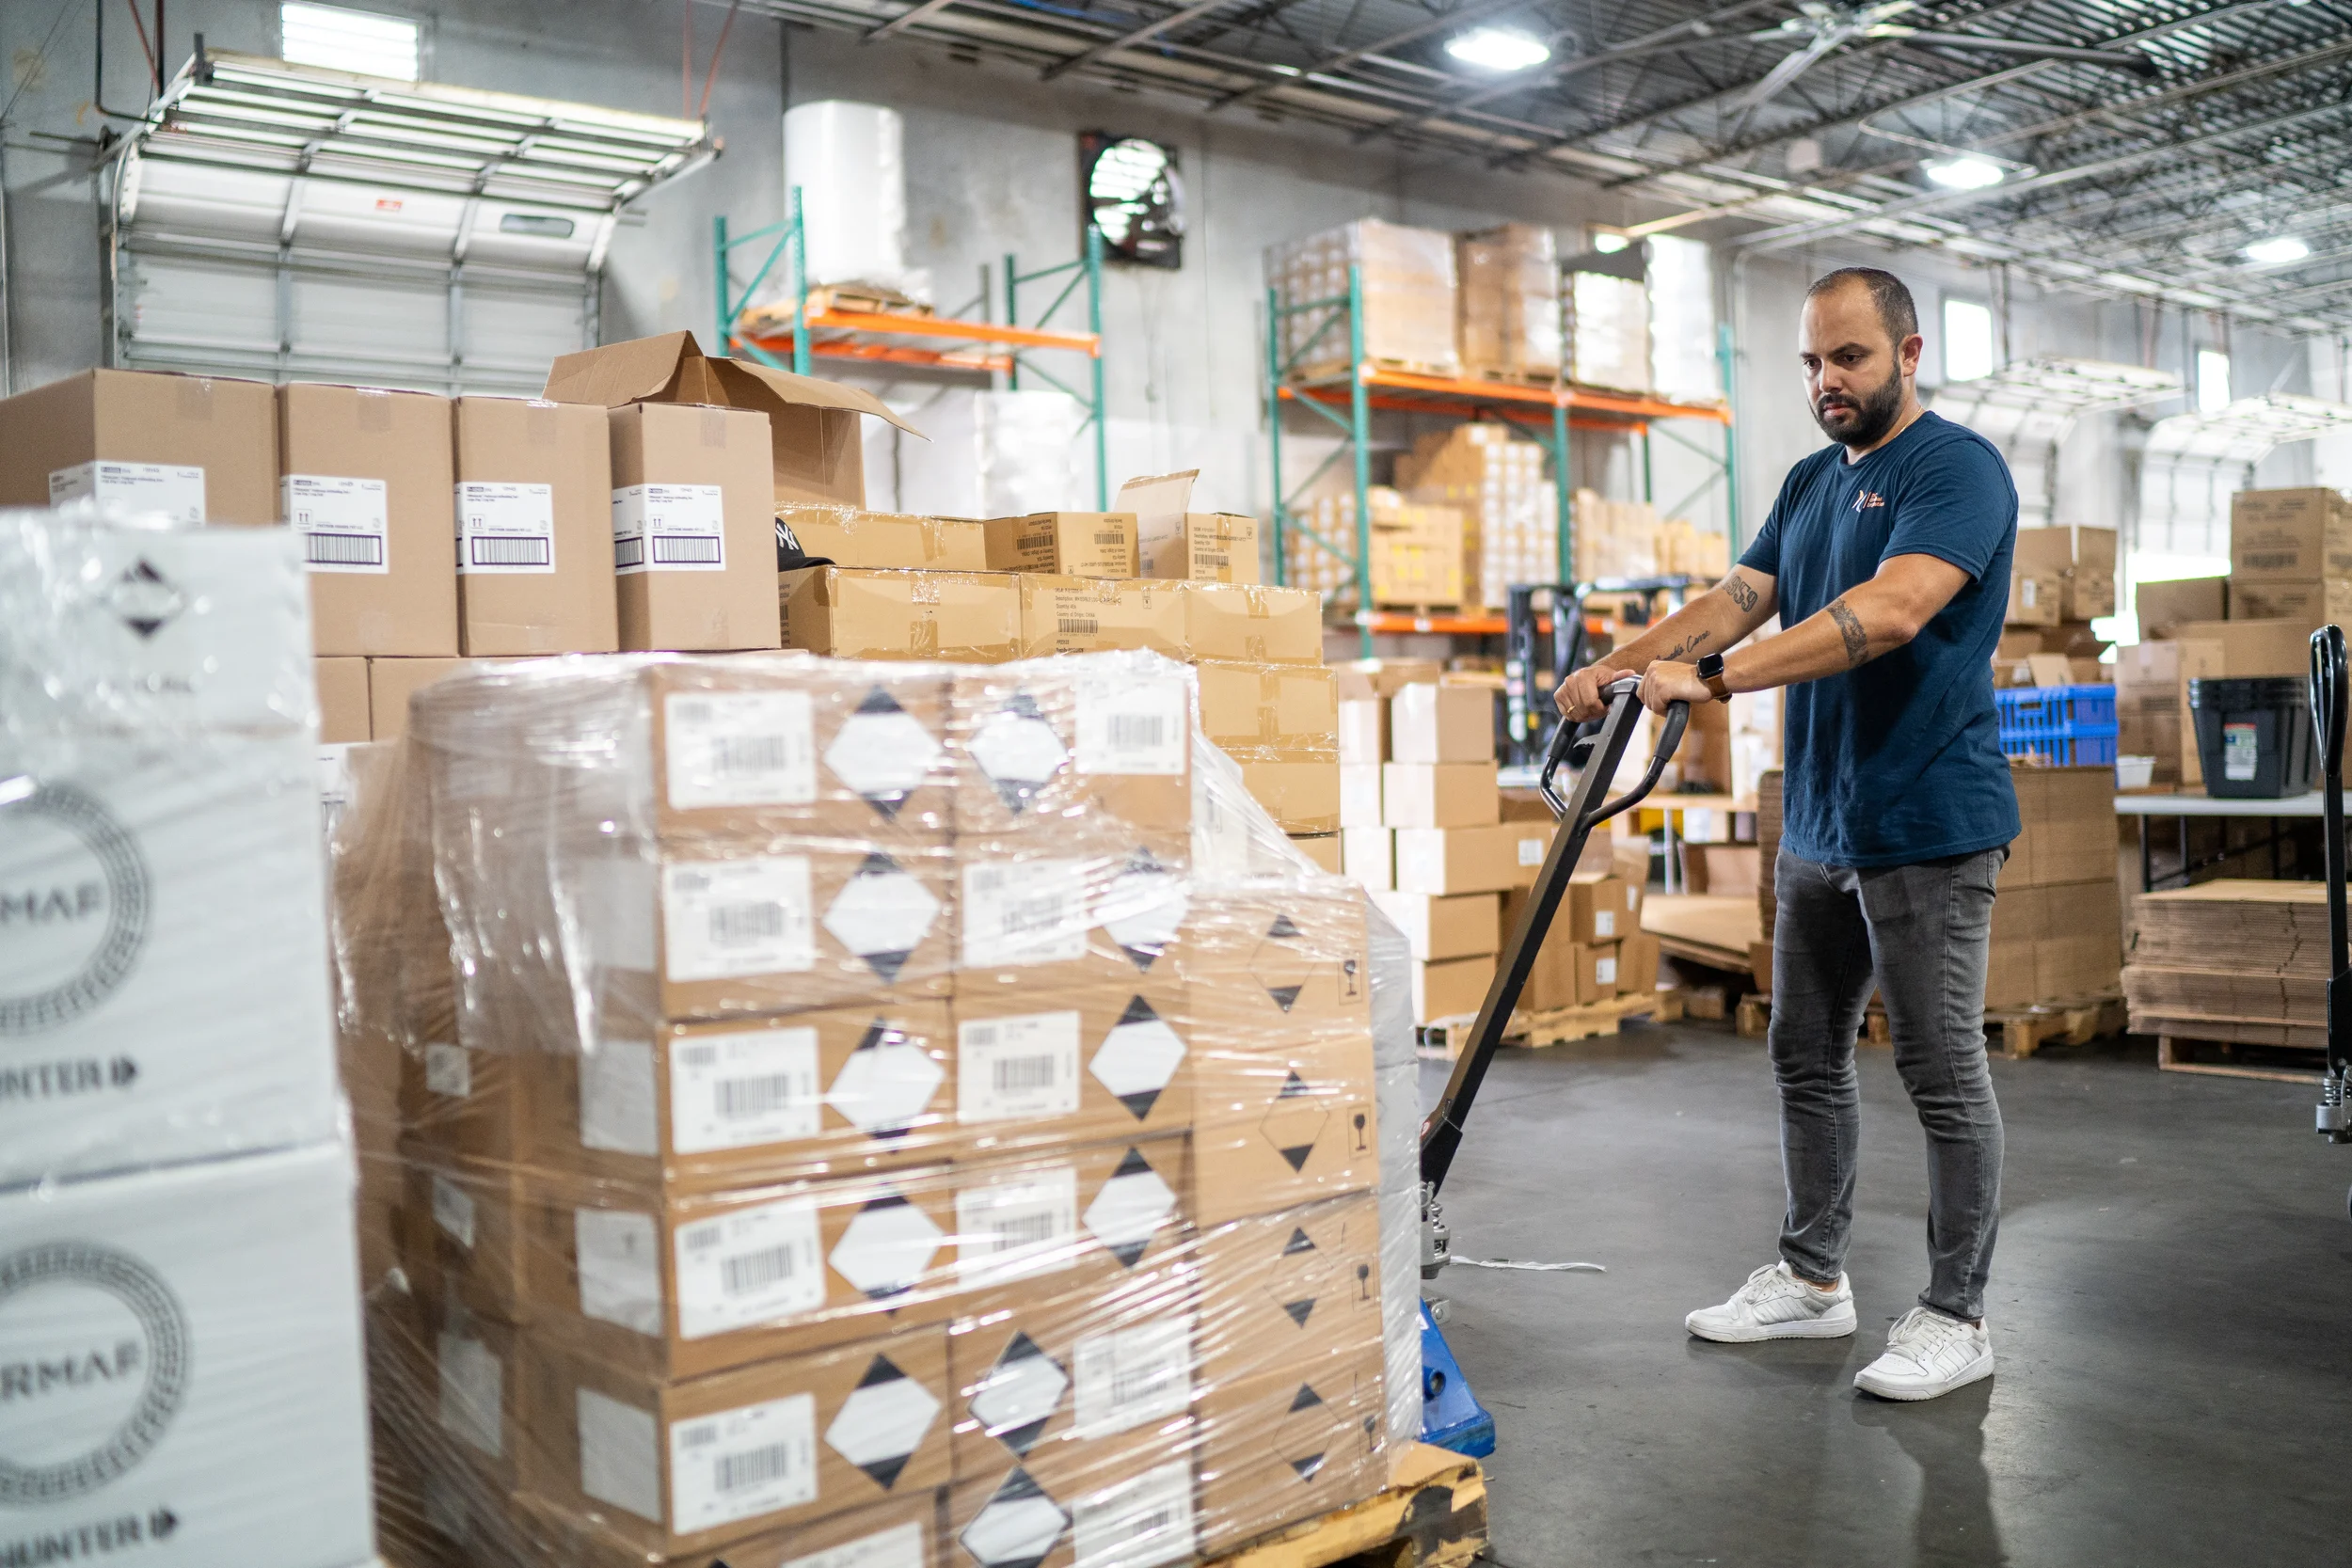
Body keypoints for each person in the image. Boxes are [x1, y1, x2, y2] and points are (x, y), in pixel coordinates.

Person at [1555, 266, 2019, 1402]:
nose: (1826, 380)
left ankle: (1957, 1314)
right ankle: (1814, 1279)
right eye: (1811, 361)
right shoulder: (1813, 479)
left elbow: (1892, 609)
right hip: (1819, 818)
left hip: (1924, 822)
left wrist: (1703, 680)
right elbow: (1733, 597)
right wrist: (1619, 667)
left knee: (1939, 1069)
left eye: (1849, 358)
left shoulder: (1952, 468)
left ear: (1908, 355)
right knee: (1801, 1052)